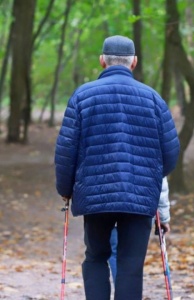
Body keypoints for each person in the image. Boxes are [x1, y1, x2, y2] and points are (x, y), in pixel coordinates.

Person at [54, 35, 180, 300]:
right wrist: (151, 177)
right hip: (140, 195)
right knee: (131, 265)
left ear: (102, 61)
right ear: (134, 62)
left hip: (96, 195)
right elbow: (169, 155)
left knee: (96, 257)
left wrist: (65, 189)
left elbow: (66, 150)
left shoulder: (82, 96)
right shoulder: (153, 99)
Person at [108, 176, 171, 283]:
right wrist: (163, 217)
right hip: (143, 205)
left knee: (115, 253)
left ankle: (123, 294)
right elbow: (160, 180)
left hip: (110, 204)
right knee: (134, 254)